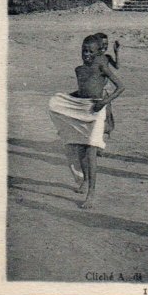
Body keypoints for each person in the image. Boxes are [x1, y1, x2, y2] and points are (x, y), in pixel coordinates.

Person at [49, 34, 125, 209]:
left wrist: (105, 102)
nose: (86, 54)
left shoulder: (101, 65)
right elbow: (82, 91)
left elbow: (121, 86)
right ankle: (84, 179)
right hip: (83, 109)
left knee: (91, 152)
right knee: (81, 150)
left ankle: (91, 192)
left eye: (90, 51)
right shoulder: (79, 70)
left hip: (98, 109)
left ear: (98, 52)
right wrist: (67, 101)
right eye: (83, 51)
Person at [94, 33, 120, 139]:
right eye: (101, 44)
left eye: (106, 44)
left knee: (106, 114)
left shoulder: (107, 57)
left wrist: (116, 52)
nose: (104, 47)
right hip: (95, 90)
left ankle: (102, 138)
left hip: (105, 90)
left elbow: (117, 66)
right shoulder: (91, 57)